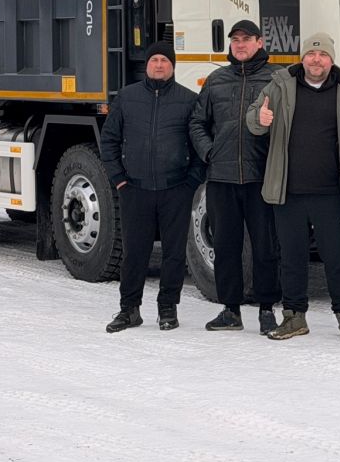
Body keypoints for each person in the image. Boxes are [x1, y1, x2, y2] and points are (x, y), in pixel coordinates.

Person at [246, 31, 340, 342]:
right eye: (311, 54)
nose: (316, 60)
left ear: (331, 60)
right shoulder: (279, 86)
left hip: (332, 193)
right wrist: (261, 119)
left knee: (337, 258)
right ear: (302, 58)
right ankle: (294, 317)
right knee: (291, 257)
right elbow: (252, 119)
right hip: (288, 191)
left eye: (323, 55)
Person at [99, 41, 202, 333]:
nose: (159, 65)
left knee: (173, 253)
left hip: (175, 189)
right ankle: (129, 309)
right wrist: (120, 179)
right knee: (134, 251)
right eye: (155, 59)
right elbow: (109, 141)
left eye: (165, 61)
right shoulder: (127, 98)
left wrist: (190, 182)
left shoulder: (188, 100)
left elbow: (198, 146)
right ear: (147, 65)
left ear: (173, 66)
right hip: (135, 188)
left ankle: (168, 308)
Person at [188, 19, 281, 335]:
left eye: (246, 39)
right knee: (225, 245)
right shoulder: (216, 80)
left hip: (261, 178)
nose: (240, 44)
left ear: (260, 42)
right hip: (222, 177)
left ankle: (267, 309)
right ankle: (231, 310)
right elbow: (197, 123)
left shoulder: (276, 80)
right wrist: (209, 153)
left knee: (266, 247)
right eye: (235, 40)